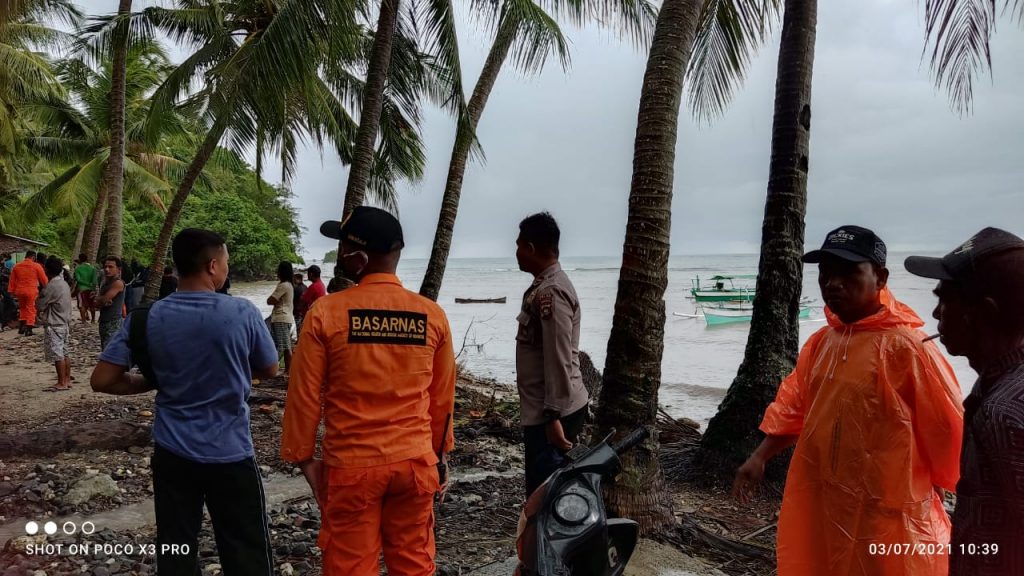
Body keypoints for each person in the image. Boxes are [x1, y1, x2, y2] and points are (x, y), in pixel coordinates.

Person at [731, 225, 964, 576]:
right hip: (824, 499)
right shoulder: (824, 342)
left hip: (887, 509)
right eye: (826, 274)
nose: (833, 284)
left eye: (848, 273)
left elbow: (949, 430)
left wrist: (957, 488)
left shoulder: (908, 349)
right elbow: (796, 407)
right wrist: (759, 457)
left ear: (880, 278)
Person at [90, 228, 278, 575]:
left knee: (176, 546)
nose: (226, 269)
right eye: (225, 262)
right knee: (246, 549)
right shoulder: (242, 313)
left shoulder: (146, 318)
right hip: (232, 452)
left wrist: (147, 381)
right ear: (211, 265)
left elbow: (102, 380)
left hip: (173, 451)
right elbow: (269, 367)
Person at [281, 207, 456, 576]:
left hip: (353, 467)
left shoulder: (326, 313)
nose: (341, 254)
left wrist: (304, 459)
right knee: (414, 563)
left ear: (357, 257)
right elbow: (441, 399)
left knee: (350, 566)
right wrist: (440, 458)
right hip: (415, 464)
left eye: (343, 246)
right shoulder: (432, 315)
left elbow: (305, 394)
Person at [905, 227, 1024, 576]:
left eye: (946, 300)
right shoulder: (997, 387)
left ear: (983, 312)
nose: (937, 315)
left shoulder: (1003, 413)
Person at [514, 212, 589, 497]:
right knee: (546, 490)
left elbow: (557, 356)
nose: (516, 252)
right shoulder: (544, 286)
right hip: (549, 409)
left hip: (555, 412)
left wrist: (552, 417)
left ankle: (544, 542)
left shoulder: (551, 292)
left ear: (530, 248)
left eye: (519, 245)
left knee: (544, 495)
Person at [38, 257, 73, 391]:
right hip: (64, 322)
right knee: (65, 352)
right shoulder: (64, 283)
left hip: (55, 323)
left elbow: (40, 305)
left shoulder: (52, 285)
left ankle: (61, 382)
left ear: (46, 269)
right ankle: (67, 380)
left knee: (57, 354)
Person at [8, 250, 48, 335]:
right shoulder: (36, 266)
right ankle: (29, 329)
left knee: (22, 308)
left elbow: (12, 280)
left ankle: (21, 327)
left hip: (20, 291)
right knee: (31, 308)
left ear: (25, 256)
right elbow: (44, 280)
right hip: (31, 290)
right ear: (33, 257)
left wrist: (11, 291)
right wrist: (47, 287)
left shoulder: (17, 266)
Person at [266, 261, 294, 374]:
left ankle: (286, 370)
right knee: (284, 345)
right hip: (285, 317)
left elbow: (270, 300)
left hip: (281, 318)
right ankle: (287, 370)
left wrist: (271, 299)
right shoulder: (289, 285)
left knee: (282, 346)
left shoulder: (283, 285)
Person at [94, 257, 125, 351]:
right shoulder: (105, 284)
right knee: (105, 349)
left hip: (113, 322)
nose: (107, 269)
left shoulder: (118, 283)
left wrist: (99, 299)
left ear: (118, 269)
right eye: (105, 267)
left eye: (111, 267)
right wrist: (100, 300)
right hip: (104, 321)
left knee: (109, 352)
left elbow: (103, 300)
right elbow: (97, 303)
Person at [73, 253, 99, 323]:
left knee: (82, 305)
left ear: (80, 259)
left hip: (81, 289)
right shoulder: (93, 268)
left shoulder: (78, 268)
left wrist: (86, 284)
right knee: (91, 305)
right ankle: (93, 320)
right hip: (91, 289)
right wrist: (92, 288)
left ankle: (84, 320)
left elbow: (78, 279)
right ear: (87, 259)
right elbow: (94, 280)